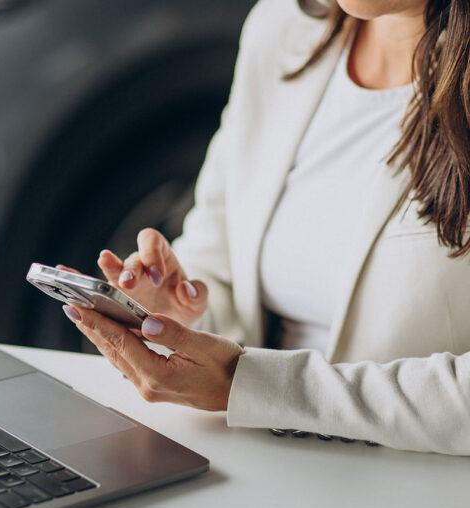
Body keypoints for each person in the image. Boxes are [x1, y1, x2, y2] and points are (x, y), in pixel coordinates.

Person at [61, 0, 470, 455]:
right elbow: (219, 260)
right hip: (262, 463)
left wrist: (249, 385)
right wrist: (180, 318)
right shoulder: (283, 28)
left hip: (418, 489)